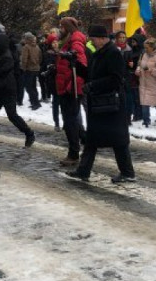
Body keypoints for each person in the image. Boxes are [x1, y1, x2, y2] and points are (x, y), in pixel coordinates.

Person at [66, 26, 135, 183]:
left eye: (93, 39)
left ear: (103, 38)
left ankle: (127, 173)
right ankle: (83, 171)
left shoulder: (113, 53)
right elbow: (91, 74)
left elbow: (115, 79)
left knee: (118, 140)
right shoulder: (99, 53)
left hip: (111, 104)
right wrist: (75, 64)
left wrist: (93, 86)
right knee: (92, 139)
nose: (91, 42)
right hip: (100, 103)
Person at [0, 32, 36, 149]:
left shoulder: (7, 57)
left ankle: (29, 133)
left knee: (12, 115)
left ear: (1, 44)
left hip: (8, 91)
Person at [55, 17, 88, 166]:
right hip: (65, 86)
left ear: (67, 28)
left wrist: (72, 87)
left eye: (62, 27)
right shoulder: (68, 41)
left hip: (71, 88)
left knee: (70, 122)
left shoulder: (75, 41)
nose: (59, 30)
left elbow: (81, 65)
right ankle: (86, 142)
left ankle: (74, 154)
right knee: (72, 121)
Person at [135, 38, 156, 127]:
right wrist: (138, 70)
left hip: (155, 84)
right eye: (145, 47)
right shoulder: (144, 55)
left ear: (152, 47)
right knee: (145, 103)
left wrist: (151, 70)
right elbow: (140, 65)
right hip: (144, 83)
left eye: (147, 47)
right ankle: (146, 121)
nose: (145, 49)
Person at [19, 32, 42, 110]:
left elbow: (24, 59)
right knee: (33, 86)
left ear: (27, 39)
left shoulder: (26, 47)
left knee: (29, 87)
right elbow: (40, 57)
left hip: (29, 69)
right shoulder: (37, 46)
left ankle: (35, 103)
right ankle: (36, 102)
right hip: (36, 69)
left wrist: (23, 68)